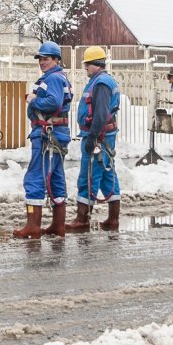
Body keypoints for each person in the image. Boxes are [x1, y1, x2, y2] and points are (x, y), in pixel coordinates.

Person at [13, 40, 73, 239]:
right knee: (56, 179)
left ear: (56, 59)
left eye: (46, 59)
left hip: (48, 135)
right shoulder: (57, 77)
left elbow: (53, 102)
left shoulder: (53, 79)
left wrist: (33, 99)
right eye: (40, 59)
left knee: (35, 178)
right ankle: (58, 225)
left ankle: (33, 226)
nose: (42, 62)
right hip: (55, 134)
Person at [65, 46, 121, 232]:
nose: (85, 68)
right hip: (105, 137)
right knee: (107, 176)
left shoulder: (101, 84)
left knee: (88, 177)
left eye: (87, 64)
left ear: (95, 64)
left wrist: (93, 138)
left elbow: (100, 114)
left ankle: (82, 219)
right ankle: (113, 220)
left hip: (99, 138)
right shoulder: (103, 81)